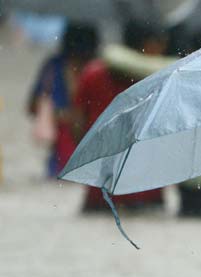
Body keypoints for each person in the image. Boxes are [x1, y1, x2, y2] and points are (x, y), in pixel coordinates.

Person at [71, 20, 172, 212]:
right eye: (159, 45)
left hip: (100, 191)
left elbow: (76, 123)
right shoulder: (161, 78)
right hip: (146, 192)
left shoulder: (93, 73)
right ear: (147, 44)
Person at [26, 21, 99, 178]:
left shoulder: (53, 66)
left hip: (60, 159)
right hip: (92, 157)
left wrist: (57, 114)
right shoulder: (100, 69)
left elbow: (32, 107)